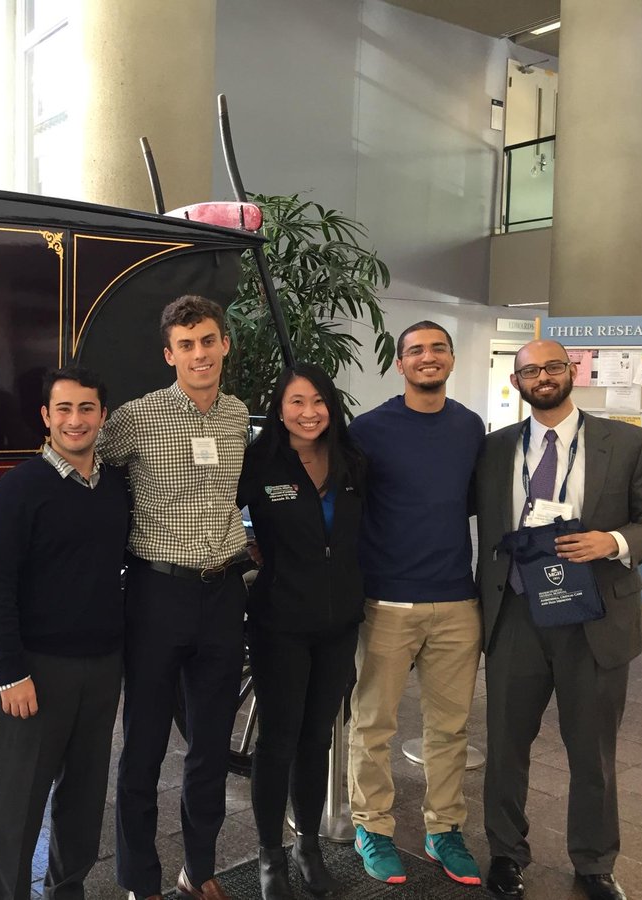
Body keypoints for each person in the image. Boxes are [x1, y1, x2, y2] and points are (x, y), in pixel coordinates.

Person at [474, 340, 642, 900]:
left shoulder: (626, 442)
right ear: (516, 380)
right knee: (505, 746)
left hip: (593, 619)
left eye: (553, 366)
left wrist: (616, 540)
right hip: (516, 616)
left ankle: (595, 863)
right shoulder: (493, 448)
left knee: (593, 750)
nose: (543, 376)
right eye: (530, 370)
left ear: (570, 370)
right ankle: (506, 854)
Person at [98, 295, 251, 900]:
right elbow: (80, 458)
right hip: (158, 592)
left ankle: (201, 867)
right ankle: (140, 881)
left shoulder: (238, 415)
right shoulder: (137, 417)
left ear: (224, 346)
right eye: (186, 345)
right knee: (143, 748)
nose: (199, 354)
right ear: (169, 354)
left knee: (210, 745)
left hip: (223, 595)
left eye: (208, 340)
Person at [0, 365, 131, 900]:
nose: (75, 419)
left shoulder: (116, 487)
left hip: (103, 664)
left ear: (103, 416)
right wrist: (11, 673)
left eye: (87, 408)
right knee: (19, 804)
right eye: (63, 409)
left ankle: (68, 890)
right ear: (45, 417)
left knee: (85, 799)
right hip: (36, 670)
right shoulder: (17, 491)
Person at [346, 320, 485, 886]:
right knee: (373, 724)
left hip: (456, 600)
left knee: (450, 729)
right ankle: (372, 829)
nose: (428, 358)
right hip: (387, 600)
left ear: (450, 360)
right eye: (416, 351)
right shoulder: (370, 431)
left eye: (438, 349)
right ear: (399, 365)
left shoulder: (471, 427)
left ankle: (443, 829)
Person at [235, 363, 365, 900]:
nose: (308, 412)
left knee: (317, 738)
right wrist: (245, 550)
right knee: (279, 740)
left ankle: (307, 847)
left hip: (339, 625)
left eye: (318, 401)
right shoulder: (260, 462)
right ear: (279, 409)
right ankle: (271, 856)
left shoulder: (353, 462)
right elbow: (212, 514)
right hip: (280, 624)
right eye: (295, 402)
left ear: (331, 406)